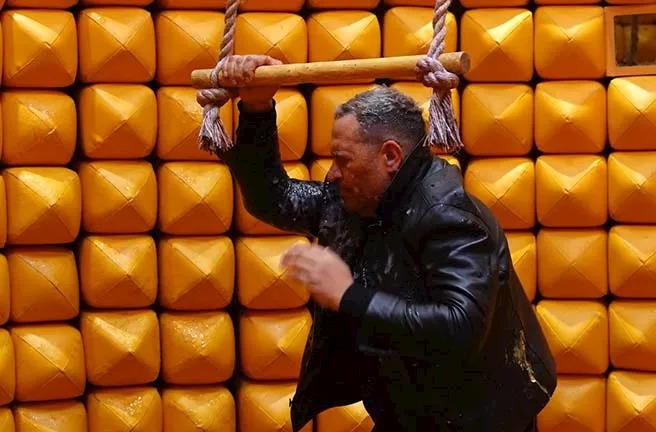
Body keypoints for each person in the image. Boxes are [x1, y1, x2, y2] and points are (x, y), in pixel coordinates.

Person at [209, 54, 558, 432]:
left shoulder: (449, 216)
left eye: (343, 159)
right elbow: (272, 199)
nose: (332, 173)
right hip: (405, 408)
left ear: (390, 156)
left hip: (480, 417)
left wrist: (347, 295)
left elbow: (460, 327)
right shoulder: (353, 200)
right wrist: (257, 108)